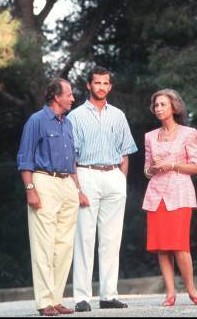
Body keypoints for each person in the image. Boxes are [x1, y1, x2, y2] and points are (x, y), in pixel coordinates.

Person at [67, 66, 138, 312]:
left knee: (111, 239)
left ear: (110, 87)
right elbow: (71, 158)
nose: (101, 87)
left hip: (113, 176)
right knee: (84, 238)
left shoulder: (118, 115)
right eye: (97, 83)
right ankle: (81, 297)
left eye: (105, 83)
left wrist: (122, 180)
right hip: (86, 173)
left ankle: (108, 294)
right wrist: (77, 189)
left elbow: (126, 150)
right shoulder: (75, 116)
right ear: (89, 85)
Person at [17, 78, 87, 316]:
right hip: (43, 180)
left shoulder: (67, 124)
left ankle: (56, 299)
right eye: (69, 94)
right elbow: (25, 157)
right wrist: (30, 189)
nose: (72, 98)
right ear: (56, 97)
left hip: (67, 183)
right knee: (43, 244)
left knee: (64, 245)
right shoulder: (36, 121)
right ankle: (44, 301)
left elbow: (73, 161)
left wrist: (77, 189)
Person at [142, 89, 197, 307]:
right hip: (155, 195)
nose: (159, 109)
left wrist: (172, 165)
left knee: (180, 245)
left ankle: (192, 290)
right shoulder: (149, 136)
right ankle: (170, 293)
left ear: (174, 107)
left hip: (179, 194)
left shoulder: (189, 133)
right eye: (156, 105)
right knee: (162, 247)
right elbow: (146, 171)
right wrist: (153, 166)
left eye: (163, 105)